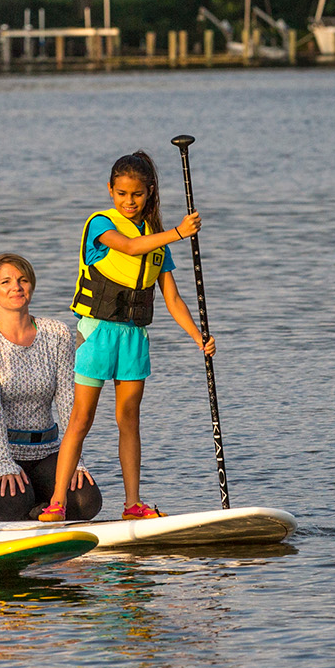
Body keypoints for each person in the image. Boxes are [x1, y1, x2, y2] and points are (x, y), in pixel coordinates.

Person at [40, 150, 215, 522]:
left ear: (149, 192)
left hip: (134, 338)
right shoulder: (101, 224)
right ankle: (57, 502)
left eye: (136, 194)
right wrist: (180, 231)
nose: (129, 201)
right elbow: (130, 247)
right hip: (98, 333)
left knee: (129, 419)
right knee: (81, 418)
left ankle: (132, 504)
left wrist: (199, 338)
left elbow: (173, 298)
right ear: (110, 190)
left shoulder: (158, 242)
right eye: (121, 193)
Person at [0, 253, 104, 521]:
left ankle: (42, 507)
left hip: (46, 450)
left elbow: (67, 402)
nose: (16, 287)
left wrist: (76, 460)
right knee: (12, 504)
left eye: (23, 280)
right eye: (5, 282)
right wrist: (4, 463)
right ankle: (24, 504)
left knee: (86, 502)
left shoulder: (57, 332)